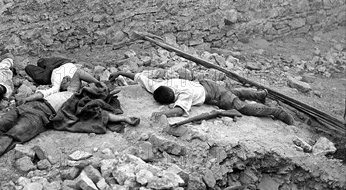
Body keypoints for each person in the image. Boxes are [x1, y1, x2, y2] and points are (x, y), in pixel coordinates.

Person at [0, 71, 139, 161]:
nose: (91, 86)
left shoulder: (85, 102)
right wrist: (99, 81)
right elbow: (79, 73)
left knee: (17, 132)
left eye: (95, 88)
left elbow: (101, 114)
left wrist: (123, 119)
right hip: (33, 105)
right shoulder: (72, 91)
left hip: (44, 114)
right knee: (0, 124)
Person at [109, 70, 294, 125]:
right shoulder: (158, 86)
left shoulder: (183, 95)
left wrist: (163, 114)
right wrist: (120, 73)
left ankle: (277, 112)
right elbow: (140, 77)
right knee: (231, 91)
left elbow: (180, 110)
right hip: (205, 84)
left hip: (212, 94)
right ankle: (260, 94)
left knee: (240, 106)